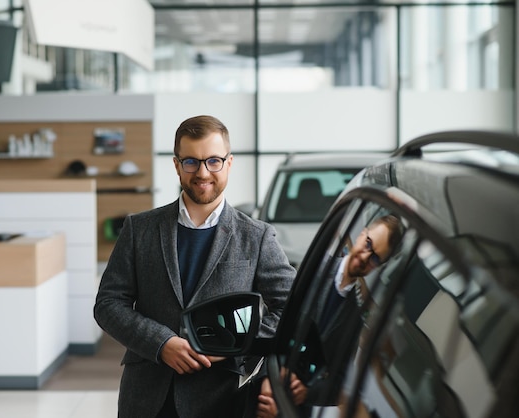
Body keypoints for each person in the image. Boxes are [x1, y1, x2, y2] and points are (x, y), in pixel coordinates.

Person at [93, 115, 297, 418]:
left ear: (229, 163)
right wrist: (161, 343)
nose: (203, 172)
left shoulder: (256, 236)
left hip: (219, 397)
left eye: (213, 161)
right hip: (146, 396)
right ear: (177, 165)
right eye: (191, 162)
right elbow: (108, 304)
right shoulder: (140, 228)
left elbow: (292, 308)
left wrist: (236, 345)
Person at [255, 214, 403, 416]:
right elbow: (277, 323)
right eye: (368, 244)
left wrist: (308, 392)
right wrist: (267, 378)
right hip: (264, 396)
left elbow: (340, 381)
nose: (365, 257)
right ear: (362, 235)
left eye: (376, 258)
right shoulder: (313, 267)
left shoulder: (359, 314)